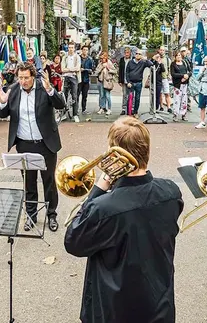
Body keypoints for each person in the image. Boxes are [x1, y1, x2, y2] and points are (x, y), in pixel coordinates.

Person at [65, 117, 183, 323]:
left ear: (115, 153)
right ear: (147, 150)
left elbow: (73, 241)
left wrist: (98, 189)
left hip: (113, 310)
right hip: (158, 307)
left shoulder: (103, 207)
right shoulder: (171, 192)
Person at [0, 62, 65, 231]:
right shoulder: (13, 89)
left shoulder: (43, 87)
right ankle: (31, 215)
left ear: (33, 76)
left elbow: (60, 104)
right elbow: (3, 114)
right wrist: (3, 102)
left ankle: (51, 214)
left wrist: (51, 90)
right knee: (29, 182)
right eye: (20, 78)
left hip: (45, 143)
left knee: (48, 181)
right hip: (24, 143)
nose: (23, 81)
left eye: (26, 78)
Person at [125, 49, 152, 117]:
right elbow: (127, 72)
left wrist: (145, 59)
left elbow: (151, 64)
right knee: (130, 97)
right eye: (137, 53)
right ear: (134, 54)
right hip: (131, 83)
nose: (138, 55)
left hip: (139, 83)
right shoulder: (130, 62)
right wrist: (128, 82)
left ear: (141, 55)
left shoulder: (143, 62)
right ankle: (129, 112)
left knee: (137, 98)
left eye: (140, 54)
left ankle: (135, 112)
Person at [62, 43, 82, 122]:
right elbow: (63, 69)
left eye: (72, 47)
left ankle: (75, 114)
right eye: (69, 47)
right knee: (64, 95)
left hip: (74, 77)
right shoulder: (64, 57)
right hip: (66, 77)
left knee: (74, 96)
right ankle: (63, 114)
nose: (70, 49)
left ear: (74, 48)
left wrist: (68, 69)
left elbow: (77, 68)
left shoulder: (77, 57)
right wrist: (71, 69)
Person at [170, 52, 190, 121]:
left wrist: (187, 76)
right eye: (177, 55)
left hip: (185, 84)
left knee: (184, 100)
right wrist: (182, 76)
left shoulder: (185, 63)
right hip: (177, 85)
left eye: (179, 55)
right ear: (175, 57)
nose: (178, 56)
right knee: (177, 100)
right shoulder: (173, 64)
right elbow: (173, 74)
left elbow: (190, 71)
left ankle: (183, 114)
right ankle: (175, 114)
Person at [94, 51, 115, 116]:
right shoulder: (100, 64)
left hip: (107, 82)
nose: (102, 59)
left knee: (108, 96)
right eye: (101, 58)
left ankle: (109, 109)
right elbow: (96, 72)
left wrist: (108, 68)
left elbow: (114, 71)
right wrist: (102, 67)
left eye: (103, 58)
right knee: (101, 95)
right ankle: (102, 108)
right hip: (100, 81)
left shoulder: (109, 63)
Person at [79, 46, 95, 115]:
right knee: (76, 95)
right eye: (84, 50)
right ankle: (75, 110)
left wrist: (86, 70)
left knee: (84, 95)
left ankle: (83, 109)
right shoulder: (78, 58)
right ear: (82, 50)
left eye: (86, 50)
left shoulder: (90, 59)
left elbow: (92, 70)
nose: (85, 51)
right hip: (79, 79)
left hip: (86, 79)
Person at [118, 47, 133, 115]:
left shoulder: (132, 60)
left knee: (131, 95)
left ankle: (131, 108)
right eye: (125, 53)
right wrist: (120, 80)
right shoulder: (121, 60)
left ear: (130, 53)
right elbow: (120, 70)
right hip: (124, 80)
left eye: (128, 53)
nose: (126, 54)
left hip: (130, 80)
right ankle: (124, 109)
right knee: (124, 95)